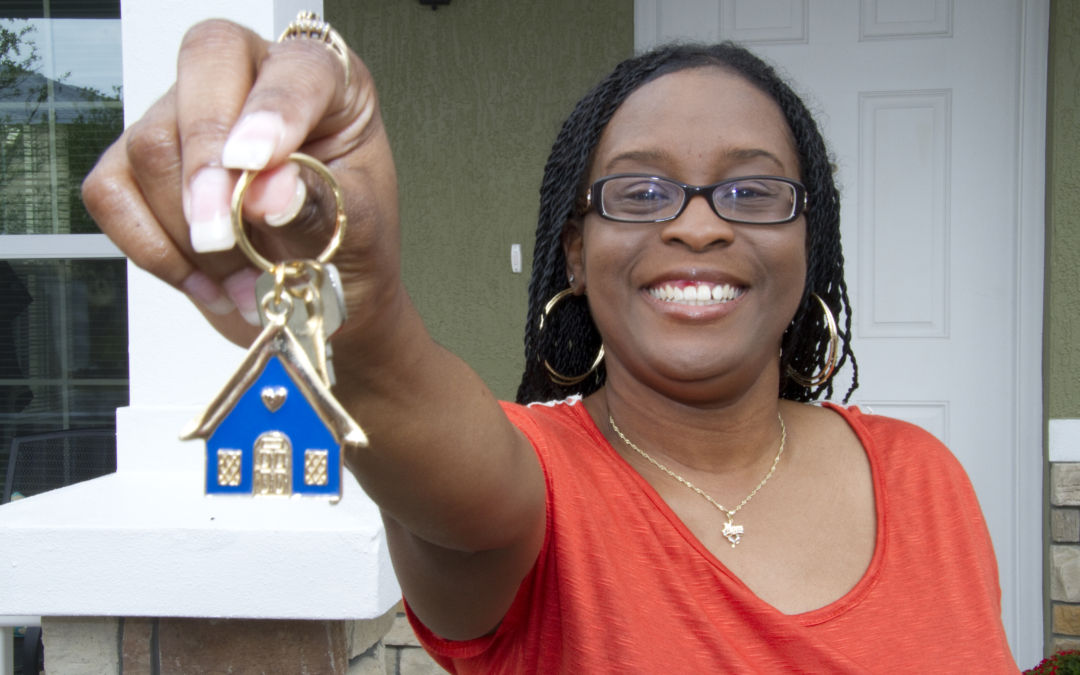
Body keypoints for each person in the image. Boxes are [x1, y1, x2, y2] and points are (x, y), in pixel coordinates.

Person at [83, 19, 1019, 674]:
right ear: (575, 245)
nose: (698, 226)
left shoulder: (924, 476)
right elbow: (409, 406)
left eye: (751, 191)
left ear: (808, 242)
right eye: (641, 192)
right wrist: (357, 313)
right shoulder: (533, 489)